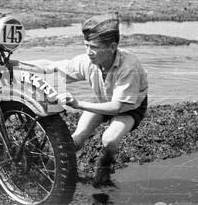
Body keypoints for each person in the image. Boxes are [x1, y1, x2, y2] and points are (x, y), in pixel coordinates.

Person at [22, 14, 148, 188]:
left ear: (112, 47)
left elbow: (117, 107)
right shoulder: (88, 61)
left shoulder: (129, 67)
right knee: (75, 139)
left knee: (110, 140)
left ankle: (103, 172)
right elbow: (53, 68)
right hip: (102, 99)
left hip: (129, 108)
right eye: (86, 46)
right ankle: (48, 176)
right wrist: (18, 64)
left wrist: (78, 104)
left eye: (94, 47)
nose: (89, 52)